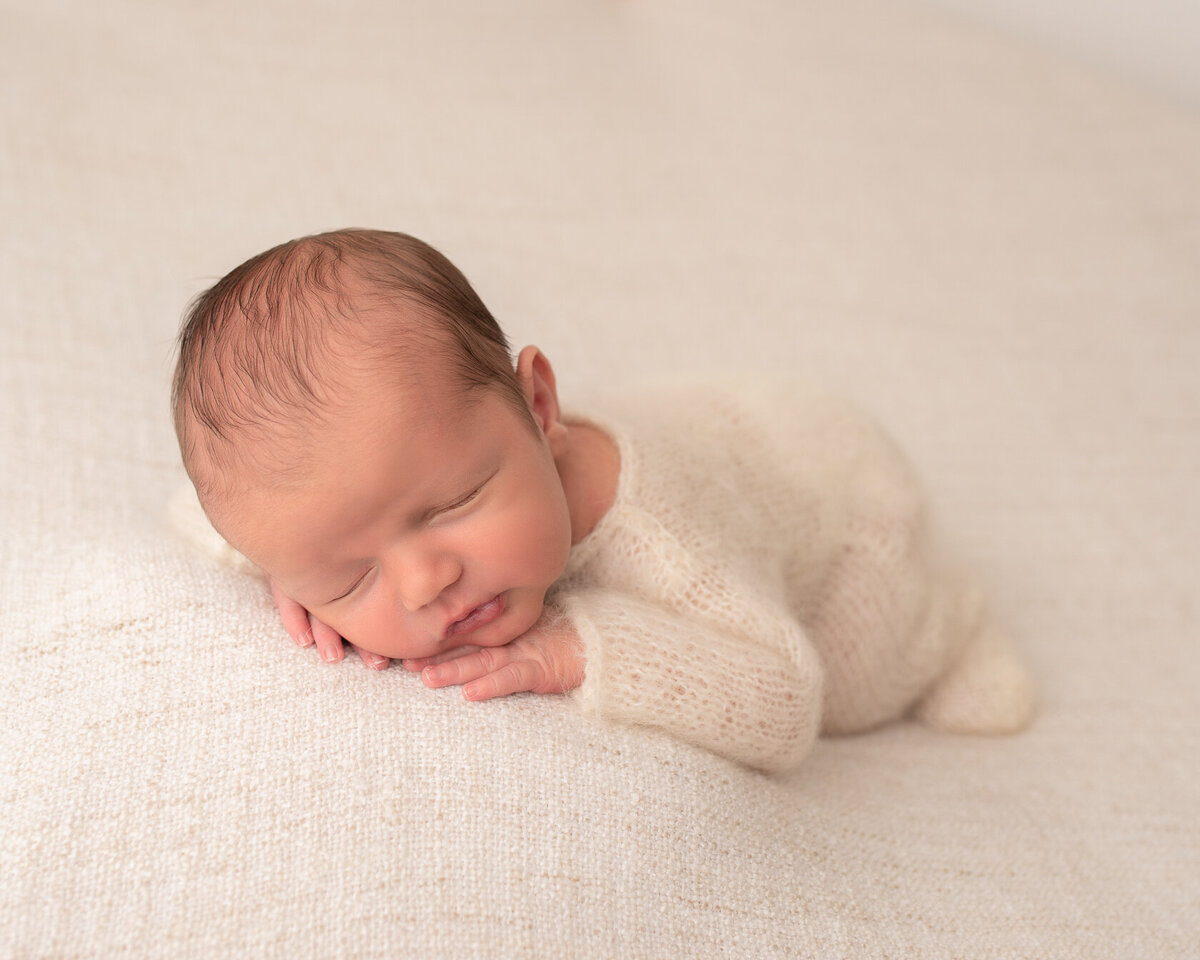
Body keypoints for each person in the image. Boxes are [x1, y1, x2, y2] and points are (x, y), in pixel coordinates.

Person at [171, 228, 1034, 774]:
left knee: (862, 677)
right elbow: (216, 510)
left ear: (539, 408)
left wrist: (577, 650)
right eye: (353, 574)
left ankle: (955, 628)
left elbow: (784, 697)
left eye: (451, 504)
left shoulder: (660, 545)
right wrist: (292, 574)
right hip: (730, 423)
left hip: (842, 500)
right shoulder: (346, 493)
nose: (425, 580)